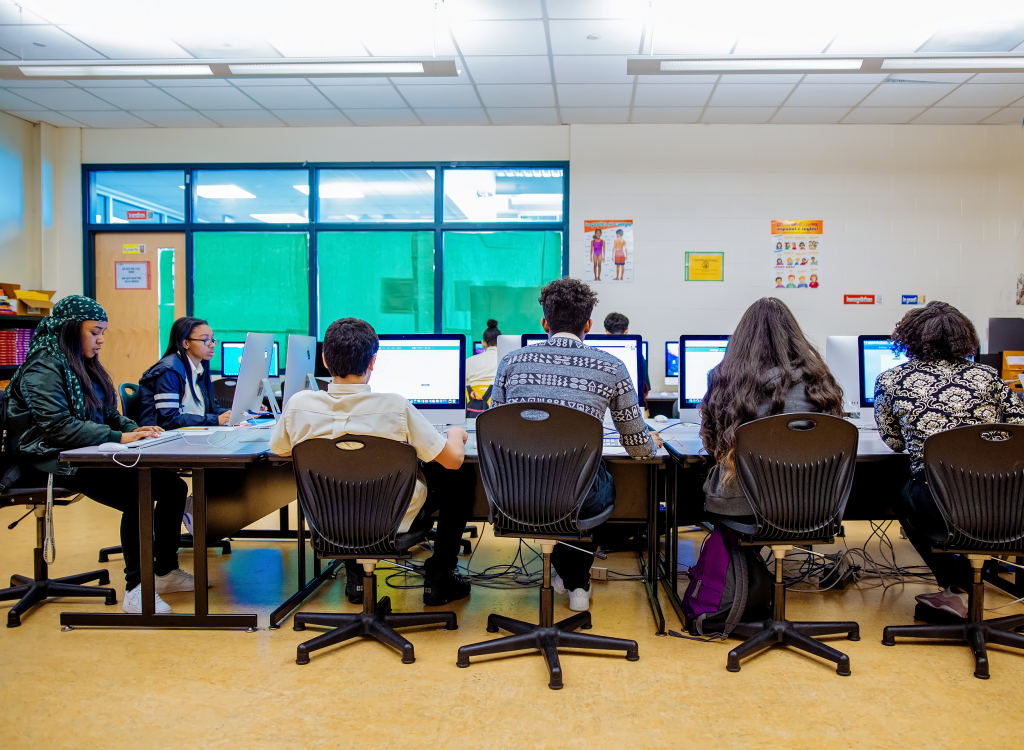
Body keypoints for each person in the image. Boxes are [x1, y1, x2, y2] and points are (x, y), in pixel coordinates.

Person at [5, 296, 193, 614]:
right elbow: (59, 428)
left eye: (102, 332)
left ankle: (164, 572)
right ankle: (137, 589)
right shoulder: (42, 368)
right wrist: (118, 437)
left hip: (82, 452)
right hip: (47, 459)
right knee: (138, 494)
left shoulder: (83, 364)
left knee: (173, 487)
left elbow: (110, 415)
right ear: (69, 330)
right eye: (95, 332)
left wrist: (137, 431)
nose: (101, 339)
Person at [269, 317, 475, 607]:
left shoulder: (298, 405)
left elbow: (280, 450)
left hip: (329, 521)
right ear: (373, 362)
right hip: (392, 520)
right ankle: (439, 576)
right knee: (459, 477)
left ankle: (356, 577)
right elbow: (453, 461)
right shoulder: (395, 406)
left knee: (346, 484)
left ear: (325, 361)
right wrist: (455, 433)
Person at [492, 279, 661, 611]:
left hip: (516, 493)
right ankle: (577, 584)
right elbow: (639, 449)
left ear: (544, 323)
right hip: (579, 498)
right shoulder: (612, 366)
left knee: (559, 482)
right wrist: (649, 441)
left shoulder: (510, 363)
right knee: (595, 480)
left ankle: (566, 578)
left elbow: (495, 430)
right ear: (588, 324)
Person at [875, 301, 1024, 618]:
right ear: (964, 337)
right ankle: (965, 581)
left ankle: (954, 583)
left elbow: (894, 442)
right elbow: (1018, 430)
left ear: (909, 338)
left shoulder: (891, 380)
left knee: (898, 492)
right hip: (1003, 498)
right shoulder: (990, 377)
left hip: (938, 502)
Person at [700, 297, 844, 518]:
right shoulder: (820, 383)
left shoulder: (725, 381)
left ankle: (736, 551)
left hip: (742, 502)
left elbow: (713, 446)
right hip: (814, 502)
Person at [139, 317, 231, 429]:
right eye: (205, 340)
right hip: (166, 438)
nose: (212, 345)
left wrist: (241, 413)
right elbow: (168, 420)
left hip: (190, 434)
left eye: (212, 340)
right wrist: (215, 420)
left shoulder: (199, 369)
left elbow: (212, 409)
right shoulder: (169, 370)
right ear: (186, 343)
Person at [604, 311, 651, 398]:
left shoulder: (598, 354)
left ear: (607, 332)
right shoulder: (639, 357)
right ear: (626, 331)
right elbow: (645, 392)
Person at [465, 318, 500, 415]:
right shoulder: (507, 361)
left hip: (472, 410)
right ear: (501, 342)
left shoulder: (468, 361)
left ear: (483, 343)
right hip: (498, 410)